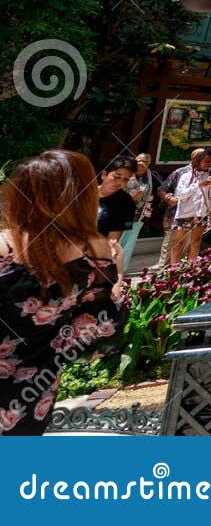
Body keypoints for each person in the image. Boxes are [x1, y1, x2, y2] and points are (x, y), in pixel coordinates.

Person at [0, 151, 128, 435]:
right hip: (33, 391)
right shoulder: (95, 249)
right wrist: (117, 273)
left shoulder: (4, 244)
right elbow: (104, 322)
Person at [162, 148, 211, 266]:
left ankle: (191, 269)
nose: (208, 164)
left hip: (200, 214)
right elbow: (180, 194)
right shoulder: (186, 176)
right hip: (184, 213)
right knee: (177, 243)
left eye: (210, 162)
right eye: (206, 161)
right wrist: (198, 185)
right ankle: (174, 269)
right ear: (198, 161)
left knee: (196, 243)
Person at [94, 158, 138, 270]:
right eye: (116, 176)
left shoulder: (126, 203)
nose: (120, 182)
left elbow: (113, 238)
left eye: (125, 179)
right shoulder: (84, 192)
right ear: (104, 174)